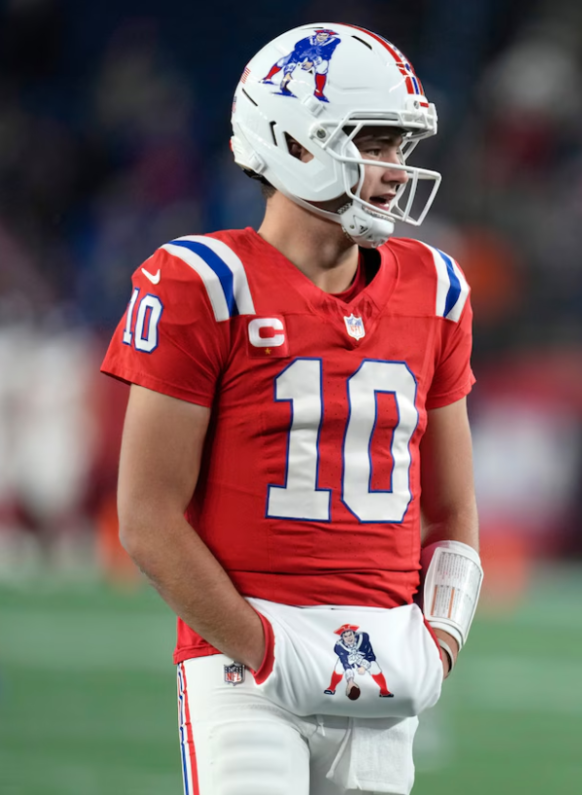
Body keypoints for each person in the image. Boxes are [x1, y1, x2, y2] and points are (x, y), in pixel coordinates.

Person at [102, 23, 484, 795]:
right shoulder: (204, 282)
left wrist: (440, 639)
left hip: (384, 662)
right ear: (292, 140)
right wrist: (262, 647)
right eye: (372, 142)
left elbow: (452, 511)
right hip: (246, 661)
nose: (394, 169)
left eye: (400, 146)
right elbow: (147, 516)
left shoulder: (437, 287)